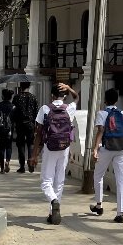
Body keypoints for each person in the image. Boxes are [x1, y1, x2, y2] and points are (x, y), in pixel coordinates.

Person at [31, 82, 78, 225]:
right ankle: (53, 212)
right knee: (59, 180)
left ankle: (53, 201)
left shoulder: (45, 109)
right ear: (64, 96)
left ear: (52, 95)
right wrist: (69, 88)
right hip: (64, 148)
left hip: (50, 147)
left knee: (46, 181)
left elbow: (38, 133)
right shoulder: (69, 108)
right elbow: (76, 98)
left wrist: (34, 154)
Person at [90, 88, 123, 224]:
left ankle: (99, 205)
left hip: (107, 148)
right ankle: (120, 213)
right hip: (121, 149)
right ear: (117, 100)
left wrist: (95, 149)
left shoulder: (102, 113)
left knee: (98, 175)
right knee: (120, 180)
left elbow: (100, 131)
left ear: (105, 100)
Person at [11, 81, 38, 173]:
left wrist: (13, 122)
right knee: (30, 144)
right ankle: (30, 163)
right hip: (30, 124)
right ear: (29, 86)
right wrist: (35, 124)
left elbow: (13, 111)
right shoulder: (33, 97)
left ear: (20, 86)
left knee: (21, 145)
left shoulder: (17, 97)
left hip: (20, 124)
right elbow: (36, 112)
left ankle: (22, 166)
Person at [0, 88, 16, 174]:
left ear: (2, 96)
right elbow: (14, 120)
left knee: (1, 148)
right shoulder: (13, 107)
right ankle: (8, 161)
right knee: (9, 147)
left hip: (0, 129)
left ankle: (2, 168)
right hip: (9, 130)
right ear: (10, 97)